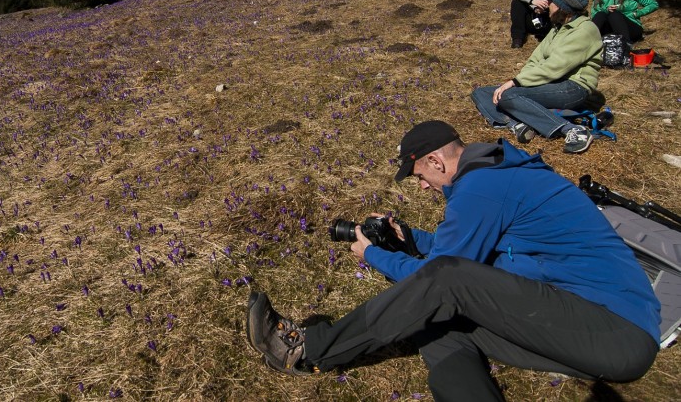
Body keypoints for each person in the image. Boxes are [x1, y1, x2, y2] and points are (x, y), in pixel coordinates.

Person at [246, 120, 660, 401]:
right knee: (434, 320)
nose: (424, 187)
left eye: (421, 177)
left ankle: (310, 349)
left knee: (441, 288)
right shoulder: (492, 177)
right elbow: (477, 253)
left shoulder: (483, 187)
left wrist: (373, 254)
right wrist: (409, 240)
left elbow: (443, 275)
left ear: (435, 161)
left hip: (615, 330)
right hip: (575, 325)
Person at [471, 0, 603, 154]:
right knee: (481, 93)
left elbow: (554, 67)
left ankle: (571, 129)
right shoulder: (558, 28)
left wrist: (516, 83)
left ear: (563, 7)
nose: (548, 5)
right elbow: (536, 59)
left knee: (508, 96)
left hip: (573, 87)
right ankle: (517, 124)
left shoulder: (585, 30)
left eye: (552, 2)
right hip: (551, 82)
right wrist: (520, 81)